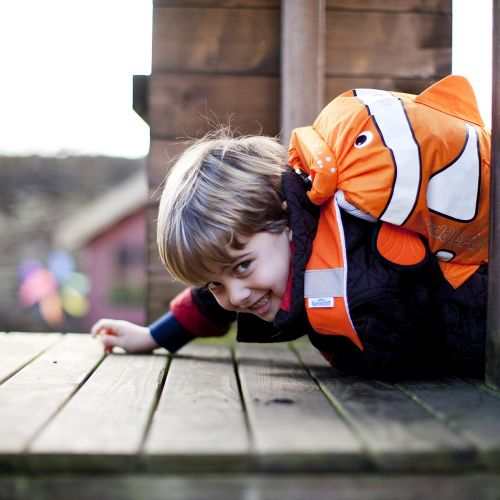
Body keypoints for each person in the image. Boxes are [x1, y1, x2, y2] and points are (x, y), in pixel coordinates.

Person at [92, 77, 489, 378]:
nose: (235, 296)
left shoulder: (360, 253)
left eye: (242, 266)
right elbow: (207, 302)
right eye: (216, 282)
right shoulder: (269, 254)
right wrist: (153, 337)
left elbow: (455, 307)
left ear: (285, 219)